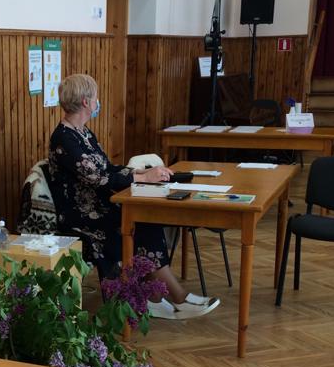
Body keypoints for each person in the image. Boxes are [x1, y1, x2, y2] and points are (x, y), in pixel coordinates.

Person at [48, 74, 219, 320]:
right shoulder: (64, 138)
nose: (98, 102)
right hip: (81, 214)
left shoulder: (83, 133)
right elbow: (97, 178)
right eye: (96, 97)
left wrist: (140, 173)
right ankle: (175, 297)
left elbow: (108, 168)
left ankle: (156, 296)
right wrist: (143, 177)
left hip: (100, 204)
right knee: (137, 224)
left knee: (146, 220)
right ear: (86, 102)